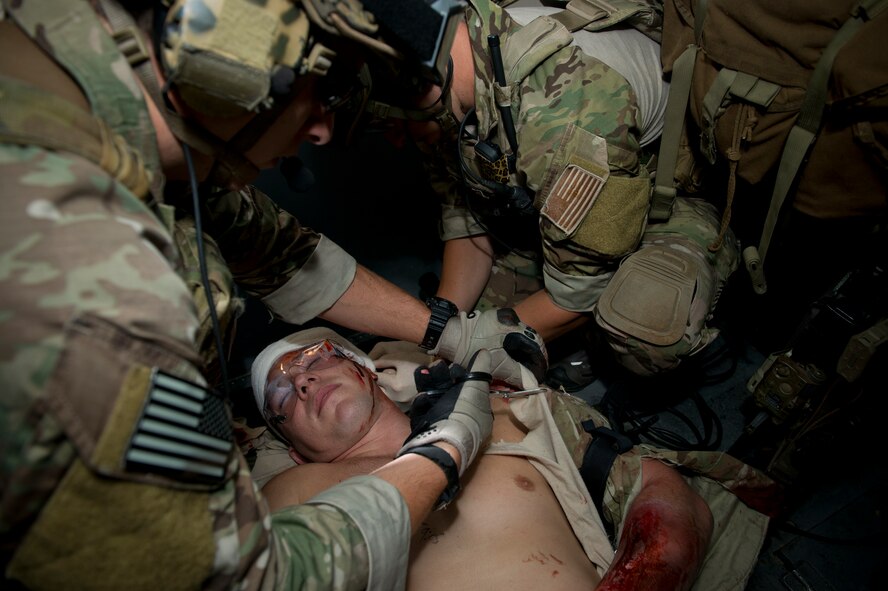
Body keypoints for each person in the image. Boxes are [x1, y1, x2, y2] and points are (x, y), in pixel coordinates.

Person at [0, 0, 546, 588]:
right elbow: (244, 579)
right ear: (223, 68)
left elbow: (282, 254)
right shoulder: (95, 289)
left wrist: (451, 331)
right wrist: (440, 456)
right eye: (317, 90)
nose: (322, 129)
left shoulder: (144, 134)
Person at [360, 0, 739, 379]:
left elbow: (577, 294)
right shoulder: (460, 64)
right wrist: (433, 333)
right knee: (480, 316)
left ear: (420, 83)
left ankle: (604, 341)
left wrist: (455, 350)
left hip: (673, 200)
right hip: (577, 207)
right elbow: (468, 219)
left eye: (388, 124)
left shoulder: (561, 115)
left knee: (644, 320)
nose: (396, 141)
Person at [248, 327, 780, 591]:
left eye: (313, 359)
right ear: (292, 449)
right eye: (281, 397)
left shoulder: (507, 411)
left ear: (365, 369)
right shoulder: (293, 492)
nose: (303, 381)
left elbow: (662, 493)